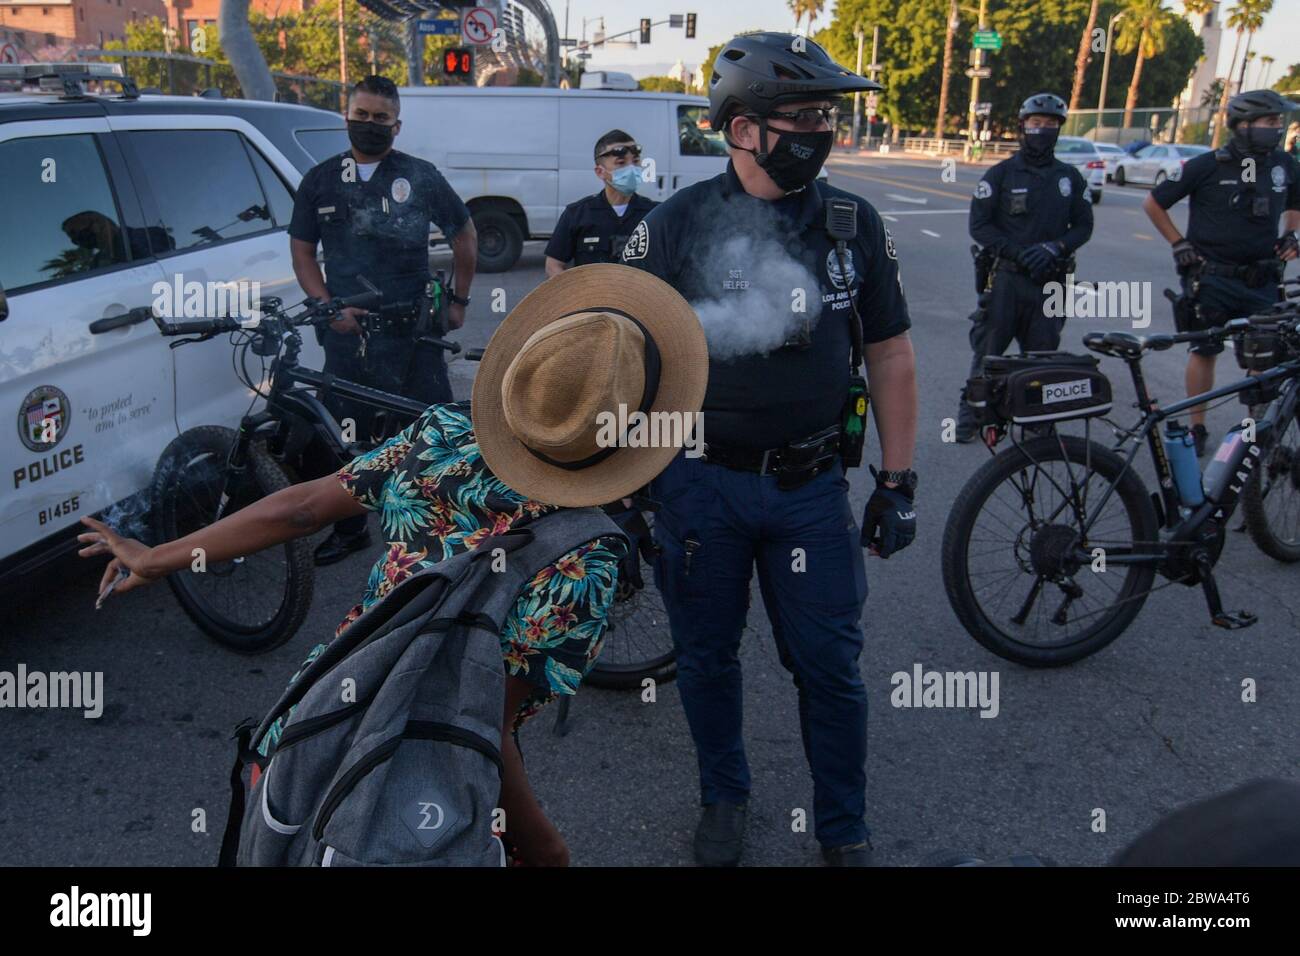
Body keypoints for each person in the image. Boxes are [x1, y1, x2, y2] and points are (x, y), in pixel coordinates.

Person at [77, 264, 709, 867]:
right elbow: (480, 723)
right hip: (403, 800)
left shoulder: (441, 435)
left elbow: (300, 508)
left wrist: (159, 558)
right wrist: (543, 847)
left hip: (310, 726)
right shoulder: (586, 560)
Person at [621, 31, 918, 867]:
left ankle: (843, 828)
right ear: (740, 128)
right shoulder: (672, 228)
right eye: (801, 117)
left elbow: (891, 351)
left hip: (812, 490)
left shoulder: (854, 224)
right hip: (698, 487)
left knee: (830, 666)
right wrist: (622, 479)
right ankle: (724, 798)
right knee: (707, 658)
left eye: (827, 115)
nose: (820, 132)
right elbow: (620, 353)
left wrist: (899, 479)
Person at [289, 74, 479, 565]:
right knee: (340, 436)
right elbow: (303, 254)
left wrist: (458, 300)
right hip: (346, 335)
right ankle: (350, 529)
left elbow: (465, 236)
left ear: (397, 126)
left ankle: (440, 535)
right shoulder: (320, 180)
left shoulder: (420, 176)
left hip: (412, 331)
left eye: (380, 119)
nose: (369, 125)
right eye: (361, 115)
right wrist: (328, 306)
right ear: (346, 115)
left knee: (433, 434)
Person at [1142, 89, 1300, 455]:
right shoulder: (1208, 164)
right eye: (1271, 121)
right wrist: (1178, 243)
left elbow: (1296, 199)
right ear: (1243, 126)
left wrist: (1290, 233)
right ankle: (1198, 428)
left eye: (1279, 121)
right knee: (1204, 349)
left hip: (1261, 278)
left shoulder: (1284, 164)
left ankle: (1259, 433)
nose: (1278, 128)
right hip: (1211, 278)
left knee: (1264, 357)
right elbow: (1154, 203)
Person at [955, 92, 1095, 443]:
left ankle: (1038, 423)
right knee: (988, 353)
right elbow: (980, 225)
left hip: (1051, 282)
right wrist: (1017, 253)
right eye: (1036, 124)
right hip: (1007, 280)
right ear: (1022, 126)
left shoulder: (1069, 178)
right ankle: (972, 416)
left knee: (1043, 358)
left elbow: (1083, 225)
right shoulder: (1000, 174)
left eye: (1050, 125)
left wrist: (1055, 247)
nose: (1042, 131)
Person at [544, 130, 658, 277]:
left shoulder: (654, 215)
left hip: (640, 298)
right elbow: (553, 265)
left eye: (635, 161)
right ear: (600, 172)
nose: (631, 169)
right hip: (592, 298)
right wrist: (577, 295)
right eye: (621, 163)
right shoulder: (577, 214)